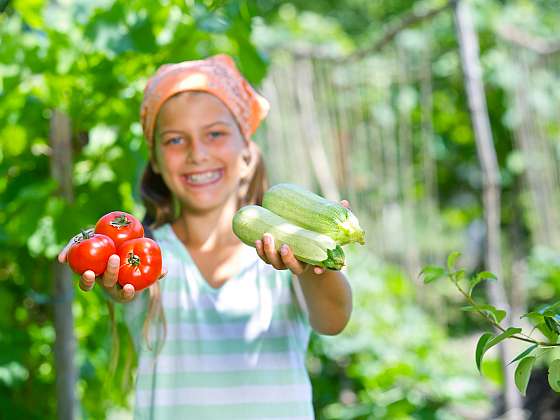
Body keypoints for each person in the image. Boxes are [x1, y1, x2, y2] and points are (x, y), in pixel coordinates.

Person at [58, 54, 352, 419]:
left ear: (246, 150)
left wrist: (313, 263)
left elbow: (333, 320)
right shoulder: (146, 252)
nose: (197, 154)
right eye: (175, 140)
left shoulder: (284, 244)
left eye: (215, 134)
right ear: (154, 160)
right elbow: (123, 288)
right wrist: (105, 265)